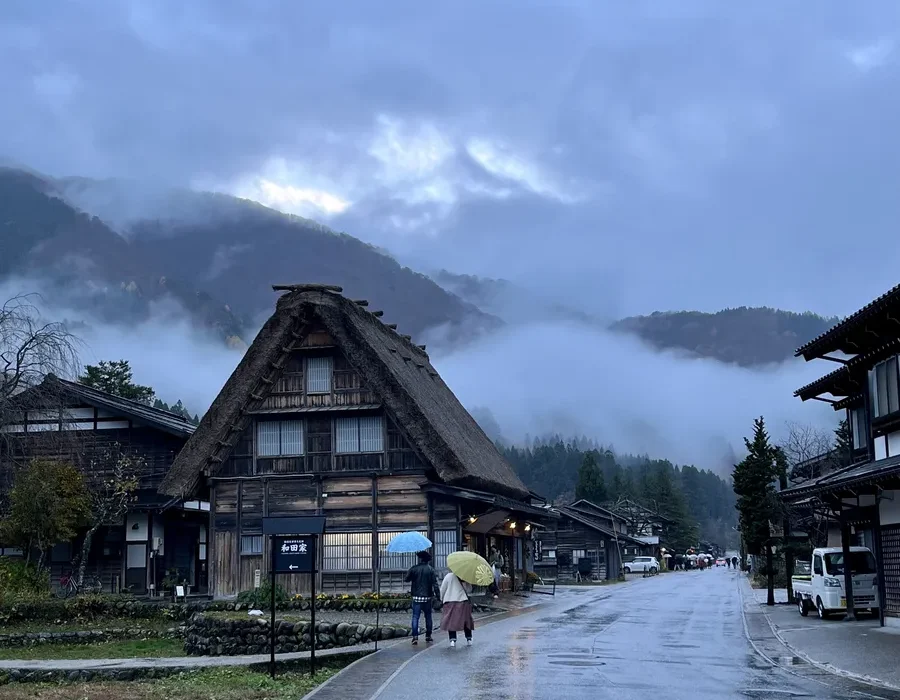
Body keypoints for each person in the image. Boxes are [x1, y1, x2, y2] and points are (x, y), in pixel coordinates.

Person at [405, 551, 439, 645]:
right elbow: (435, 584)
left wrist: (412, 575)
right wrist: (438, 596)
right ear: (428, 560)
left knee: (415, 617)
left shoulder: (414, 568)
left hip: (416, 596)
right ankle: (428, 636)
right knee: (428, 616)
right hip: (427, 597)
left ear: (420, 559)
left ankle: (415, 637)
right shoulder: (431, 570)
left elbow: (406, 579)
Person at [440, 569, 474, 648]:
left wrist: (441, 598)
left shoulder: (448, 576)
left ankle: (452, 640)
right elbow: (469, 590)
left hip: (450, 601)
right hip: (462, 601)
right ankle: (469, 638)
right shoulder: (464, 577)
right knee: (466, 620)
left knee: (451, 621)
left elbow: (443, 589)